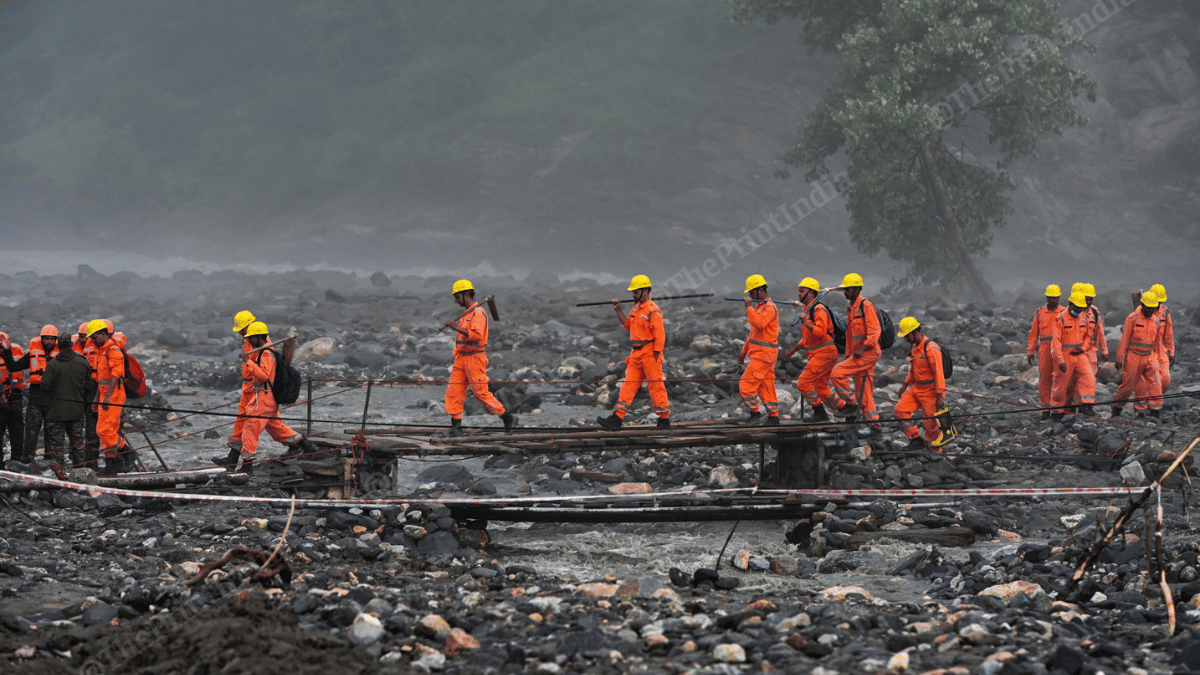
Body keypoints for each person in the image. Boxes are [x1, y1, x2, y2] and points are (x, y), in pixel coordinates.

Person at [212, 322, 315, 473]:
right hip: (264, 397)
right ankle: (307, 446)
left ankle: (247, 467)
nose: (250, 341)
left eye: (252, 338)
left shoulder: (266, 353)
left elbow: (263, 375)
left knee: (250, 428)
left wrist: (248, 361)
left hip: (264, 397)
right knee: (275, 428)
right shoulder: (263, 349)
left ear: (260, 337)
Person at [442, 279, 517, 437]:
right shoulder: (467, 313)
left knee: (480, 393)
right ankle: (456, 427)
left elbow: (476, 336)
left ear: (465, 295)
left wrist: (455, 327)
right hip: (461, 358)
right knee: (454, 391)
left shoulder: (478, 313)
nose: (456, 301)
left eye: (457, 297)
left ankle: (508, 418)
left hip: (475, 359)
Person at [597, 275, 670, 430]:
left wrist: (656, 355)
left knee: (656, 386)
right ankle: (617, 419)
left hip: (650, 353)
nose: (633, 295)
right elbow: (628, 325)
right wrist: (618, 310)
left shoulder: (654, 311)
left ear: (645, 291)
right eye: (633, 292)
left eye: (636, 292)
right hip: (636, 354)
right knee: (627, 386)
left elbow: (660, 336)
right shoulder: (636, 308)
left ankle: (664, 419)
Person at [785, 278, 844, 422]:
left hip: (825, 353)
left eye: (802, 291)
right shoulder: (808, 310)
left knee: (803, 383)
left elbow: (820, 332)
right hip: (819, 354)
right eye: (799, 290)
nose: (799, 294)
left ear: (811, 293)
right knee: (820, 387)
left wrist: (805, 322)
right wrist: (795, 348)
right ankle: (845, 410)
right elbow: (808, 338)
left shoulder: (818, 309)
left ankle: (820, 414)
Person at [829, 273, 880, 437]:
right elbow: (851, 335)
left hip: (868, 353)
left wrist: (862, 349)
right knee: (863, 392)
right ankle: (875, 427)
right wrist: (849, 354)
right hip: (858, 355)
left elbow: (874, 332)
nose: (845, 292)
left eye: (848, 289)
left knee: (837, 373)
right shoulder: (851, 307)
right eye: (844, 289)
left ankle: (850, 405)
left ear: (857, 289)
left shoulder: (866, 306)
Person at [1, 325, 60, 462]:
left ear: (56, 340)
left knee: (51, 433)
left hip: (53, 400)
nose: (49, 342)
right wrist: (8, 351)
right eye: (47, 339)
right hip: (36, 400)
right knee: (31, 432)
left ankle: (50, 461)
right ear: (42, 339)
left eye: (52, 339)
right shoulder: (34, 353)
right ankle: (27, 459)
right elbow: (14, 367)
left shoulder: (61, 355)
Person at [86, 319, 137, 475]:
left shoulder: (113, 350)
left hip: (113, 396)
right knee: (105, 430)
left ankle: (128, 453)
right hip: (105, 395)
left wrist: (107, 397)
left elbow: (116, 375)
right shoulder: (102, 351)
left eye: (94, 337)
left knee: (104, 430)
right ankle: (111, 466)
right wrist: (97, 399)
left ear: (103, 334)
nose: (93, 341)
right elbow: (101, 379)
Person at [39, 335, 94, 467]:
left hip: (56, 413)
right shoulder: (82, 362)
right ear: (71, 345)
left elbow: (44, 386)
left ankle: (60, 474)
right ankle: (80, 472)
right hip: (77, 412)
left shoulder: (53, 364)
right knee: (78, 445)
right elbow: (89, 386)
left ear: (58, 345)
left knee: (58, 448)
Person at [893, 317, 946, 450]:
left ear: (915, 332)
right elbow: (913, 369)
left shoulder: (931, 349)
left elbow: (939, 373)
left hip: (931, 391)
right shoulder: (915, 347)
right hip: (917, 388)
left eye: (907, 336)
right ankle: (916, 439)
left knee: (930, 425)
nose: (905, 339)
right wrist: (904, 386)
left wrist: (940, 396)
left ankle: (935, 452)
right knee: (900, 410)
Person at [1113, 292, 1166, 419]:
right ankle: (1117, 408)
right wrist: (1119, 358)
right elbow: (1125, 339)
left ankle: (1155, 411)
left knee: (1155, 383)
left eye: (1152, 307)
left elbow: (1158, 341)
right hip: (1133, 356)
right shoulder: (1133, 318)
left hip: (1150, 356)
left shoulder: (1156, 320)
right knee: (1128, 385)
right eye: (1147, 307)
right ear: (1142, 305)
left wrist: (1159, 357)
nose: (1150, 310)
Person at [737, 274, 780, 425]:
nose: (750, 295)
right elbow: (753, 335)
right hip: (761, 355)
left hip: (764, 355)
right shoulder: (760, 307)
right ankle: (774, 417)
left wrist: (748, 307)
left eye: (751, 292)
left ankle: (755, 414)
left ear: (760, 290)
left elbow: (760, 324)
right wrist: (743, 353)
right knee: (766, 387)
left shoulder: (769, 307)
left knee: (746, 385)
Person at [1049, 292, 1097, 421]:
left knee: (1089, 378)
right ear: (1071, 305)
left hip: (1080, 354)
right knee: (1061, 384)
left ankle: (1087, 406)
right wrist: (1059, 360)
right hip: (1065, 355)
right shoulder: (1061, 319)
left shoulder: (1084, 317)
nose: (1079, 310)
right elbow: (1056, 342)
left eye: (1081, 307)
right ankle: (1057, 411)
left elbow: (1088, 335)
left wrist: (1083, 348)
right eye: (1077, 307)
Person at [1026, 284, 1065, 420]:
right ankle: (1045, 408)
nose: (1052, 300)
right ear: (1046, 297)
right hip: (1044, 347)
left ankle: (1058, 408)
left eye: (1054, 298)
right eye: (1050, 297)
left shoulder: (1064, 312)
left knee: (1060, 378)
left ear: (1059, 297)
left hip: (1059, 348)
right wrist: (1031, 350)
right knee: (1044, 378)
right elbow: (1033, 334)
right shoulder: (1040, 312)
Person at [227, 310, 259, 456]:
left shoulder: (261, 342)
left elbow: (264, 372)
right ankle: (232, 458)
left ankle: (299, 443)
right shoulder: (247, 340)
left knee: (253, 425)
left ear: (248, 325)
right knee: (241, 421)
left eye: (241, 328)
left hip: (257, 388)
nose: (239, 332)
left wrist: (247, 361)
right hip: (247, 386)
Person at [0, 332, 24, 469]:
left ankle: (16, 461)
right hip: (0, 402)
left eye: (3, 347)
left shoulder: (16, 352)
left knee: (17, 432)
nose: (2, 350)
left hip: (16, 398)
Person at [1081, 283, 1108, 376]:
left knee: (1091, 375)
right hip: (1077, 348)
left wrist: (1104, 350)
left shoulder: (1094, 311)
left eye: (1090, 299)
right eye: (1086, 299)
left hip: (1091, 348)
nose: (1088, 302)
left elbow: (1100, 331)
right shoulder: (1074, 311)